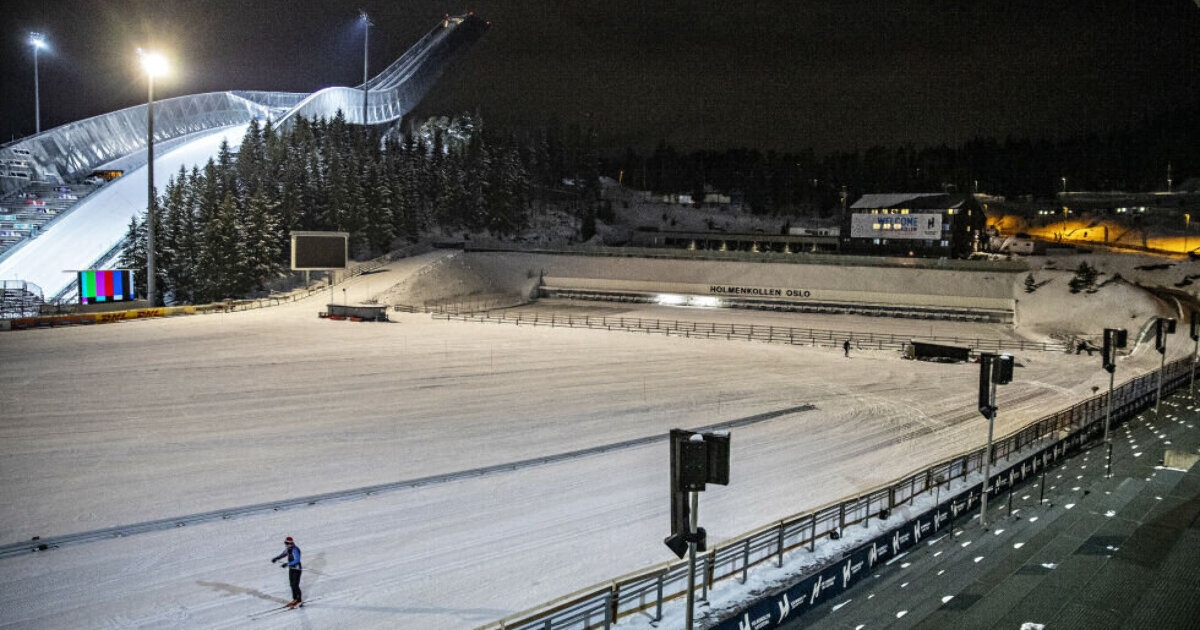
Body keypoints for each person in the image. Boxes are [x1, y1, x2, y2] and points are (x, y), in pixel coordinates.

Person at [271, 536, 303, 607]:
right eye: (285, 543)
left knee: (295, 585)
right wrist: (276, 558)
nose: (286, 545)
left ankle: (299, 600)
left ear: (291, 543)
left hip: (297, 569)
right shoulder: (288, 549)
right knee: (291, 584)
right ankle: (295, 599)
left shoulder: (295, 550)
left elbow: (297, 560)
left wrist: (287, 564)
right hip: (291, 568)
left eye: (287, 544)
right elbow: (283, 554)